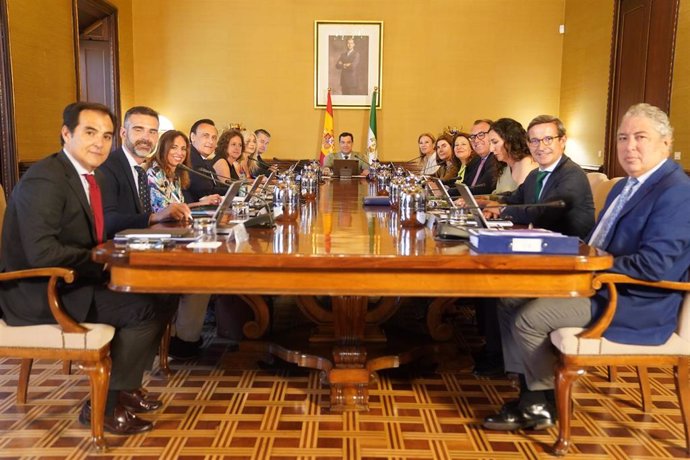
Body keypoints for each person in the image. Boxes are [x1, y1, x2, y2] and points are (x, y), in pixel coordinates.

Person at [484, 103, 690, 432]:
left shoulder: (677, 191)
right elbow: (597, 241)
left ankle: (537, 402)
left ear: (666, 142)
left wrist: (589, 267)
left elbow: (656, 266)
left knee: (527, 318)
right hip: (601, 284)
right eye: (623, 138)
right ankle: (537, 398)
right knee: (509, 298)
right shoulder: (626, 185)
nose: (629, 146)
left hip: (636, 300)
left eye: (640, 137)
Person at [0, 101, 169, 435]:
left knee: (164, 295)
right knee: (143, 309)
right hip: (38, 291)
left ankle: (127, 387)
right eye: (90, 133)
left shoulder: (85, 176)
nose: (100, 143)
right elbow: (42, 253)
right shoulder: (46, 180)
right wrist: (101, 261)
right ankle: (105, 405)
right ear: (66, 133)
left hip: (71, 280)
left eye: (106, 136)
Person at [146, 130, 217, 359]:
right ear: (163, 148)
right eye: (174, 148)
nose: (179, 153)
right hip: (159, 243)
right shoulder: (153, 173)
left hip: (177, 236)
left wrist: (198, 204)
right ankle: (183, 340)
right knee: (201, 274)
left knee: (206, 270)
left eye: (183, 149)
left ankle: (186, 336)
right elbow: (164, 211)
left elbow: (178, 208)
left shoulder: (176, 175)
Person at [482, 115, 595, 240]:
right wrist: (493, 205)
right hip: (538, 242)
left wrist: (502, 210)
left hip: (569, 249)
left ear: (562, 141)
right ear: (528, 144)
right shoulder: (535, 175)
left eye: (548, 139)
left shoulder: (572, 175)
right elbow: (514, 198)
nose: (541, 147)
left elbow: (542, 213)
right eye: (535, 141)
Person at [99, 106, 191, 238]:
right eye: (138, 130)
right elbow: (108, 221)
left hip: (147, 240)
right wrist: (154, 217)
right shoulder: (108, 166)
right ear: (123, 133)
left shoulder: (140, 170)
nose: (146, 138)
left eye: (152, 132)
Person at [487, 118, 537, 196]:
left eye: (495, 142)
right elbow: (498, 195)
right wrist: (482, 200)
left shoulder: (527, 163)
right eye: (490, 143)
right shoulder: (505, 166)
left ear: (510, 140)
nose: (491, 149)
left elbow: (523, 201)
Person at [184, 119, 228, 203]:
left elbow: (216, 186)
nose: (211, 141)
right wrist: (237, 191)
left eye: (214, 138)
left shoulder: (204, 160)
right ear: (192, 137)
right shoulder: (190, 158)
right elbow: (205, 192)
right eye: (206, 136)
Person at [464, 119, 499, 195]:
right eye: (473, 137)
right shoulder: (474, 161)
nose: (476, 140)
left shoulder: (497, 159)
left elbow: (483, 189)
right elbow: (464, 186)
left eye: (481, 135)